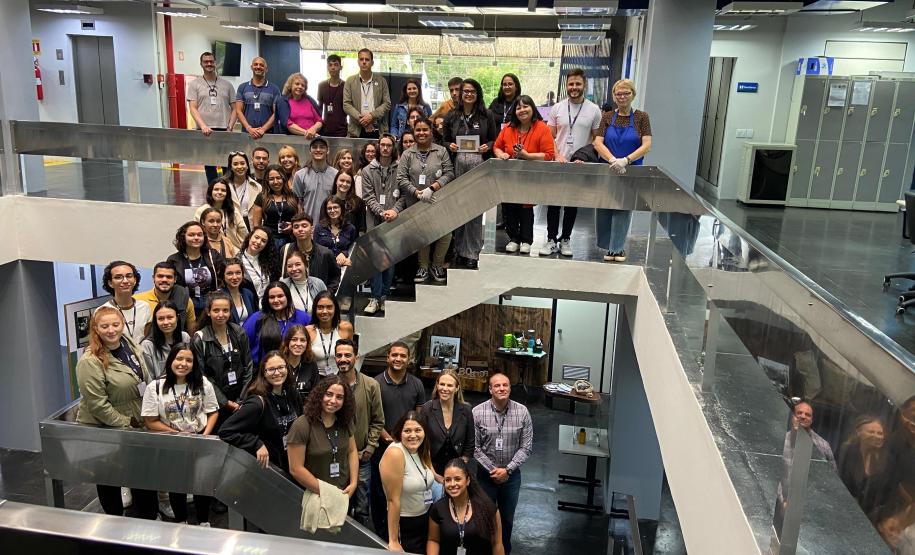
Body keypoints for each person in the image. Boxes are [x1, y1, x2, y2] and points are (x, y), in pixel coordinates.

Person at [75, 305, 157, 519]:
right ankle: (112, 524)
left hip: (135, 418)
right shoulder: (89, 362)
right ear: (96, 329)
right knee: (109, 477)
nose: (111, 330)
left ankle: (149, 519)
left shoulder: (128, 342)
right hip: (107, 427)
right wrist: (126, 423)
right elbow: (98, 405)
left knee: (142, 475)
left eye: (115, 324)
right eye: (105, 326)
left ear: (122, 325)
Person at [141, 343, 218, 526]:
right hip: (172, 442)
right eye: (179, 358)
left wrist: (204, 436)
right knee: (177, 484)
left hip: (200, 438)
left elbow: (213, 411)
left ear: (194, 363)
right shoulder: (155, 387)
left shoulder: (202, 382)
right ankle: (181, 521)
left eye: (189, 360)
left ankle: (203, 522)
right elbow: (150, 421)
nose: (183, 363)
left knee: (201, 483)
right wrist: (177, 433)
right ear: (171, 361)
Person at [543, 68, 602, 257]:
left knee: (571, 203)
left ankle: (565, 239)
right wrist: (557, 154)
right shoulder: (557, 108)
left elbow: (596, 140)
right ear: (566, 86)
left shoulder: (594, 110)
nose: (574, 87)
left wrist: (583, 156)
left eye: (577, 84)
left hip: (579, 164)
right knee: (553, 202)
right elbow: (549, 136)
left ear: (584, 85)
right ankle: (551, 239)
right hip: (558, 162)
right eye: (571, 84)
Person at [592, 78, 652, 263]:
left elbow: (647, 144)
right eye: (618, 94)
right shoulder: (607, 117)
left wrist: (626, 160)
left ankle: (616, 249)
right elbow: (598, 142)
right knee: (604, 206)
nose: (622, 96)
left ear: (633, 94)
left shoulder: (642, 117)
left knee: (623, 209)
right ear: (614, 96)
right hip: (607, 168)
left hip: (631, 170)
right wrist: (612, 160)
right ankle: (607, 245)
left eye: (626, 93)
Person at [472, 373, 533, 555]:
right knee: (484, 518)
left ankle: (504, 551)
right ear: (490, 389)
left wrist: (507, 470)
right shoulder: (477, 412)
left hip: (512, 477)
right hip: (485, 476)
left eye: (505, 385)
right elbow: (474, 448)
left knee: (506, 519)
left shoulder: (522, 412)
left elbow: (526, 447)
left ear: (509, 388)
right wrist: (493, 471)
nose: (501, 389)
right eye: (497, 386)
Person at [372, 341, 426, 539]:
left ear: (409, 360)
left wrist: (408, 440)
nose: (398, 359)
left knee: (406, 491)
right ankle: (382, 537)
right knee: (381, 494)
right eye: (394, 355)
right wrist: (390, 439)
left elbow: (419, 418)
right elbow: (372, 418)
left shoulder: (417, 384)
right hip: (383, 448)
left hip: (410, 449)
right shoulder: (375, 383)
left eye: (403, 356)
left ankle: (402, 532)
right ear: (388, 357)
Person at [444, 78, 498, 270]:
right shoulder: (452, 115)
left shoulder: (486, 115)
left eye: (472, 91)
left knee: (474, 210)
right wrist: (448, 146)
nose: (468, 94)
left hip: (479, 166)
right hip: (458, 167)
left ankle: (472, 253)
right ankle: (459, 250)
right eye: (465, 91)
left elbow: (494, 139)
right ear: (460, 94)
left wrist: (488, 146)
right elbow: (444, 140)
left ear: (478, 94)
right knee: (459, 209)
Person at [493, 95, 555, 256]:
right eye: (518, 107)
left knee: (526, 208)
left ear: (533, 108)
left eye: (525, 106)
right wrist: (501, 155)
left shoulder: (542, 128)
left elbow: (549, 155)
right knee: (510, 207)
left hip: (530, 177)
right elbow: (497, 147)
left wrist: (528, 156)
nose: (522, 110)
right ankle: (513, 238)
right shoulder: (507, 128)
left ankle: (526, 240)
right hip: (510, 177)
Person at [219, 350, 300, 472]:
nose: (277, 372)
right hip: (268, 469)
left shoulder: (292, 394)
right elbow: (226, 431)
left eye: (281, 367)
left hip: (291, 463)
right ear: (264, 373)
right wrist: (256, 443)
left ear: (287, 369)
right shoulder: (257, 403)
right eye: (271, 369)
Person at [397, 117, 454, 284]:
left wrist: (432, 188)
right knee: (422, 234)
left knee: (446, 233)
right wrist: (416, 192)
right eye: (418, 130)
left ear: (431, 131)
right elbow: (401, 178)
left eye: (425, 130)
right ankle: (423, 267)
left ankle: (437, 265)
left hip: (437, 200)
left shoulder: (441, 151)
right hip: (416, 203)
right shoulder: (408, 154)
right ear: (414, 132)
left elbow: (449, 173)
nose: (421, 133)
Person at [334, 338, 384, 526]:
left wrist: (371, 447)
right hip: (337, 458)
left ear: (356, 357)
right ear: (334, 358)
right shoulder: (329, 386)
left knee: (363, 506)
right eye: (339, 355)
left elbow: (378, 420)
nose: (343, 359)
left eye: (348, 355)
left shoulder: (371, 385)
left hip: (363, 456)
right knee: (339, 503)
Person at [288, 375, 359, 500]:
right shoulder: (302, 425)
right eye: (329, 394)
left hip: (344, 493)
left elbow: (352, 451)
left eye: (339, 397)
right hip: (315, 496)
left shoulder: (345, 421)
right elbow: (295, 469)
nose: (333, 401)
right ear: (319, 395)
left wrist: (353, 483)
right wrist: (327, 493)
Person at [192, 291, 254, 428]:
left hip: (240, 399)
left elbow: (248, 366)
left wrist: (242, 398)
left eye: (225, 310)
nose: (221, 314)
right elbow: (201, 376)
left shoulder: (239, 332)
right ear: (208, 312)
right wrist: (225, 402)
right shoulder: (200, 338)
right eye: (216, 310)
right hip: (214, 402)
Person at [380, 410, 435, 553]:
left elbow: (430, 473)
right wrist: (393, 540)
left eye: (418, 430)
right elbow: (393, 500)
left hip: (424, 518)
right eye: (407, 431)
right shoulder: (395, 453)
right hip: (403, 524)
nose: (413, 435)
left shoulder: (422, 447)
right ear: (400, 432)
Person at [362, 133, 404, 315]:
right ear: (378, 147)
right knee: (375, 261)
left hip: (394, 220)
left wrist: (394, 210)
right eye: (383, 145)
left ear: (393, 148)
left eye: (389, 145)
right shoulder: (367, 171)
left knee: (389, 260)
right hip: (374, 220)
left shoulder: (401, 168)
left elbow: (403, 194)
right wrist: (381, 212)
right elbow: (368, 196)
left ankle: (385, 296)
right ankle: (375, 297)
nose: (386, 148)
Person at [428, 458, 505, 555]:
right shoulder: (438, 509)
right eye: (448, 480)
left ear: (467, 480)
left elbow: (497, 544)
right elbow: (433, 540)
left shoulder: (488, 509)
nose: (452, 484)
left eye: (457, 479)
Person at [187, 52, 237, 185]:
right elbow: (193, 107)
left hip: (224, 130)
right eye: (206, 61)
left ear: (216, 63)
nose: (209, 64)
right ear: (201, 64)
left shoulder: (227, 85)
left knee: (227, 165)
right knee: (210, 165)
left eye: (211, 61)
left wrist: (230, 126)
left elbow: (235, 108)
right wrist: (203, 125)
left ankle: (228, 193)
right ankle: (213, 193)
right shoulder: (195, 85)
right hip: (205, 130)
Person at [838, 415, 894, 520]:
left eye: (880, 433)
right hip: (843, 510)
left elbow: (888, 492)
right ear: (859, 433)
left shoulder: (887, 460)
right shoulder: (847, 452)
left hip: (871, 517)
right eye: (871, 432)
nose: (877, 436)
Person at [421, 370, 475, 477]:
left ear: (457, 388)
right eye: (442, 384)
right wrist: (433, 474)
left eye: (450, 385)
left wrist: (458, 468)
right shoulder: (427, 409)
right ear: (437, 385)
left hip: (458, 468)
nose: (445, 389)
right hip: (431, 467)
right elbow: (423, 443)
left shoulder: (466, 410)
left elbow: (470, 443)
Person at [243, 281, 311, 365]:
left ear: (288, 297)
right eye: (272, 297)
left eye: (280, 296)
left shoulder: (304, 318)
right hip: (264, 371)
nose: (276, 300)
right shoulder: (256, 319)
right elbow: (243, 346)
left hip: (297, 369)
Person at [167, 221, 225, 318]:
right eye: (191, 235)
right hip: (186, 308)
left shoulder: (213, 255)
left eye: (199, 235)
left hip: (211, 309)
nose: (196, 238)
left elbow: (224, 278)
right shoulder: (174, 260)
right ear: (183, 237)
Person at [282, 213, 341, 292]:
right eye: (296, 227)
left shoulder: (325, 253)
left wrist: (326, 294)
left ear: (312, 229)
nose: (300, 229)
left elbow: (335, 277)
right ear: (292, 230)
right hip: (292, 297)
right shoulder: (285, 250)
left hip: (318, 299)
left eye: (304, 226)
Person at [135, 261, 197, 335]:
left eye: (169, 277)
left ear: (175, 279)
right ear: (153, 278)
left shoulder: (185, 301)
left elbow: (191, 331)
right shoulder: (138, 300)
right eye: (160, 276)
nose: (164, 280)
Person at [343, 48, 391, 138]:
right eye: (361, 59)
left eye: (367, 59)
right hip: (356, 129)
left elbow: (387, 103)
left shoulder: (381, 81)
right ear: (358, 62)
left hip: (378, 129)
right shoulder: (350, 81)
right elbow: (346, 105)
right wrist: (362, 119)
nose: (364, 62)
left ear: (372, 62)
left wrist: (372, 116)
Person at [306, 291, 354, 377]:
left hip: (340, 376)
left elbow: (351, 354)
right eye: (320, 307)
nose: (324, 311)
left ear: (335, 308)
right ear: (315, 309)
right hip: (315, 378)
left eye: (329, 307)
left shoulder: (346, 328)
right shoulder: (308, 331)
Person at [101, 260, 151, 343]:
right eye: (118, 277)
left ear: (135, 280)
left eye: (129, 276)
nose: (125, 281)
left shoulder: (144, 307)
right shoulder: (102, 311)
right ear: (110, 283)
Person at [292, 137, 338, 225]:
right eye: (314, 147)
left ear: (327, 150)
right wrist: (302, 223)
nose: (318, 150)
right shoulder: (300, 175)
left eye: (322, 147)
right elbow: (297, 203)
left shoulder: (336, 175)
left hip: (330, 227)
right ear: (310, 151)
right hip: (308, 227)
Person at [250, 165, 298, 249]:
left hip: (291, 239)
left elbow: (299, 218)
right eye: (271, 179)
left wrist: (293, 226)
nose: (275, 182)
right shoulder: (261, 197)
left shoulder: (292, 195)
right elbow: (256, 225)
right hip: (269, 241)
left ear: (283, 178)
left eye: (278, 178)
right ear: (267, 181)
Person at [140, 301, 191, 378]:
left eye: (170, 317)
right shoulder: (148, 345)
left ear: (177, 318)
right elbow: (149, 378)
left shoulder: (185, 337)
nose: (166, 322)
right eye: (161, 319)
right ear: (155, 321)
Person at [195, 177, 248, 251]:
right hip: (208, 251)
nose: (219, 192)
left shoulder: (234, 211)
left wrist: (243, 251)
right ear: (211, 191)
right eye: (216, 189)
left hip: (233, 251)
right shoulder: (201, 211)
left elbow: (243, 233)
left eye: (223, 190)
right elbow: (197, 233)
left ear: (227, 193)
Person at [234, 56, 281, 139]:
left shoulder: (274, 89)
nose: (258, 67)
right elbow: (238, 111)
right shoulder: (242, 87)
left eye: (261, 65)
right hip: (247, 133)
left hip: (268, 133)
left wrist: (263, 129)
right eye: (255, 64)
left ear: (266, 69)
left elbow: (276, 113)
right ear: (251, 67)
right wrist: (249, 128)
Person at [314, 195, 357, 268]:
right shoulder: (319, 227)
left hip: (343, 267)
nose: (332, 210)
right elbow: (315, 249)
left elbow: (353, 248)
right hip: (324, 266)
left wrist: (344, 253)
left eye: (335, 207)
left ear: (341, 209)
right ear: (326, 210)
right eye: (329, 208)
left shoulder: (350, 228)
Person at [282, 325, 318, 407]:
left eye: (302, 340)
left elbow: (315, 393)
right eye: (294, 340)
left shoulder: (311, 364)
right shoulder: (280, 363)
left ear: (307, 343)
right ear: (287, 342)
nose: (298, 344)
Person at [277, 73, 322, 137]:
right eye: (297, 84)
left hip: (312, 138)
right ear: (290, 85)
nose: (300, 87)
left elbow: (319, 120)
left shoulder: (309, 100)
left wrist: (313, 129)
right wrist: (306, 133)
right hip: (292, 140)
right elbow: (287, 123)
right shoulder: (283, 102)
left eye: (303, 85)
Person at [239, 226, 279, 300]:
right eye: (256, 237)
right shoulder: (238, 261)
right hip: (252, 305)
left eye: (263, 241)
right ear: (250, 237)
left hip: (269, 304)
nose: (258, 242)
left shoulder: (269, 261)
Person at [282, 249, 327, 314]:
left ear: (306, 265)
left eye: (298, 264)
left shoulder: (318, 283)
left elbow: (327, 306)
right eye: (289, 266)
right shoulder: (283, 285)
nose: (294, 269)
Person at [221, 257, 258, 325]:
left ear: (242, 274)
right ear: (223, 275)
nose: (235, 277)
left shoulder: (248, 293)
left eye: (238, 273)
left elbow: (254, 319)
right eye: (230, 273)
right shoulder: (219, 296)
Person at [318, 54, 347, 138]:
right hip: (325, 129)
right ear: (327, 67)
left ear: (341, 67)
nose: (333, 67)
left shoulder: (346, 86)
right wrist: (317, 125)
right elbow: (319, 108)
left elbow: (349, 107)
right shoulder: (322, 85)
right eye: (330, 65)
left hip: (341, 130)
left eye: (336, 65)